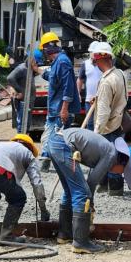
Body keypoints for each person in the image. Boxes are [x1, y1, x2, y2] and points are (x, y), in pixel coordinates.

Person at [46, 128, 131, 254]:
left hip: (56, 142)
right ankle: (80, 243)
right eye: (124, 172)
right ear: (124, 163)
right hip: (63, 145)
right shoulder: (111, 155)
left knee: (71, 190)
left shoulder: (108, 151)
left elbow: (91, 180)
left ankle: (64, 234)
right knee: (82, 193)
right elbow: (91, 183)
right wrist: (89, 207)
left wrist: (89, 204)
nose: (121, 174)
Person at [0, 134, 50, 243]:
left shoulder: (5, 146)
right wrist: (43, 209)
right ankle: (6, 236)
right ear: (30, 148)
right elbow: (37, 183)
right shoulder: (28, 154)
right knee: (19, 198)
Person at [38, 31, 81, 171]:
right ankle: (53, 161)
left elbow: (68, 87)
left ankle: (47, 161)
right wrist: (37, 70)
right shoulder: (58, 62)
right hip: (55, 109)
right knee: (53, 135)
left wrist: (64, 109)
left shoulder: (62, 62)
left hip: (60, 109)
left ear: (47, 48)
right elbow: (52, 77)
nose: (44, 53)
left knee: (54, 135)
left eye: (43, 49)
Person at [92, 42, 128, 196]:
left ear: (100, 59)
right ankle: (113, 188)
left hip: (108, 126)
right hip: (118, 122)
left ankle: (112, 189)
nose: (95, 64)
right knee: (116, 157)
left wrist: (96, 132)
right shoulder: (119, 74)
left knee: (107, 158)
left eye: (95, 61)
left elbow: (103, 112)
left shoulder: (106, 82)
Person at [7, 48, 43, 133]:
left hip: (29, 100)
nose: (37, 63)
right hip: (23, 101)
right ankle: (20, 140)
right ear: (31, 59)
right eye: (36, 61)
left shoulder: (30, 69)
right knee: (22, 123)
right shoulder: (22, 68)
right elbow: (10, 78)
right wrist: (19, 91)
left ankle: (25, 138)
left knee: (27, 123)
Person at [77, 41, 102, 131]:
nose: (93, 54)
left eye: (94, 52)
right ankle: (91, 143)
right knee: (90, 123)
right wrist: (78, 93)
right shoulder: (85, 64)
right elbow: (80, 79)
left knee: (101, 123)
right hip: (89, 100)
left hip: (102, 99)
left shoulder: (103, 64)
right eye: (91, 52)